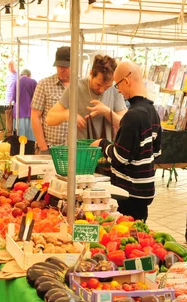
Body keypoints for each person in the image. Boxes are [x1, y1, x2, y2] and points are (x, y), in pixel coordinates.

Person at [90, 61, 161, 221]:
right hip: (145, 191)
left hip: (128, 192)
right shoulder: (153, 113)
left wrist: (102, 143)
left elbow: (120, 157)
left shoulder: (133, 116)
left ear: (126, 81)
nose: (119, 91)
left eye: (117, 85)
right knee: (139, 231)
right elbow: (156, 152)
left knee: (126, 231)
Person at [47, 54, 127, 141]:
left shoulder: (115, 90)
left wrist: (107, 112)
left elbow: (124, 124)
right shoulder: (75, 87)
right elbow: (50, 119)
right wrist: (68, 114)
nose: (101, 90)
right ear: (91, 73)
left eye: (106, 87)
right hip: (79, 150)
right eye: (98, 84)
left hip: (105, 150)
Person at [31, 47, 71, 153]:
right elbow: (35, 116)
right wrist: (43, 147)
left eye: (65, 66)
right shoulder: (44, 84)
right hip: (50, 148)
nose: (61, 69)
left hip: (75, 149)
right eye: (59, 66)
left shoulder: (80, 85)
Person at [10, 69, 38, 142]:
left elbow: (13, 98)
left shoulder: (16, 82)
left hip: (18, 113)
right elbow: (37, 98)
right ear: (29, 75)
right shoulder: (33, 82)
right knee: (31, 138)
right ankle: (30, 152)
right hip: (30, 113)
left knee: (20, 139)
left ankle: (20, 152)